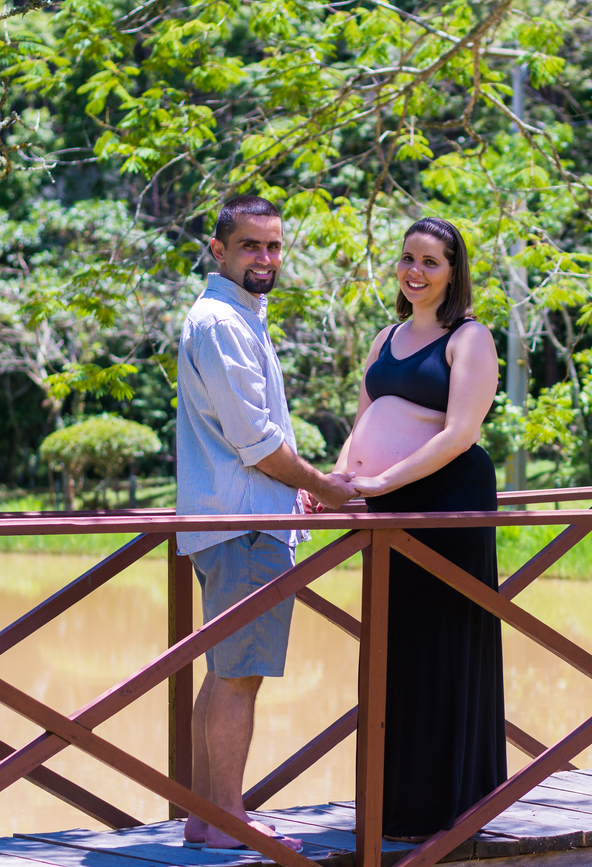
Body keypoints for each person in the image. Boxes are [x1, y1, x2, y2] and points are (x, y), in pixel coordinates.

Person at [176, 195, 357, 853]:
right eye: (250, 245)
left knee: (227, 668)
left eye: (274, 246)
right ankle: (228, 817)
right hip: (246, 526)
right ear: (218, 250)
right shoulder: (223, 323)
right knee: (239, 675)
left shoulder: (237, 316)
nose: (265, 258)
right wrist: (324, 486)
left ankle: (206, 815)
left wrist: (296, 489)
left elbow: (250, 438)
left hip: (235, 518)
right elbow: (255, 439)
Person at [335, 216, 506, 840]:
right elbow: (363, 422)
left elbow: (461, 433)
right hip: (389, 507)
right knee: (395, 647)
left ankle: (453, 810)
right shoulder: (385, 337)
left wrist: (383, 482)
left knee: (443, 647)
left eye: (431, 261)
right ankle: (395, 807)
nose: (415, 271)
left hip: (447, 505)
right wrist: (335, 482)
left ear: (454, 272)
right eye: (408, 258)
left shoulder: (470, 338)